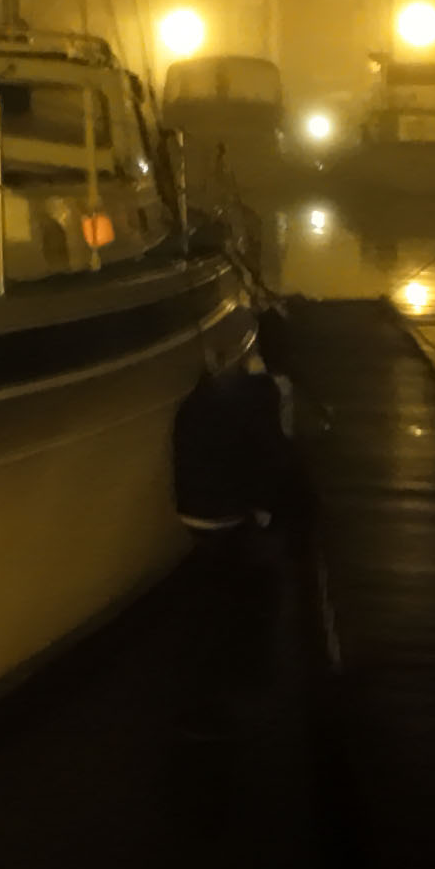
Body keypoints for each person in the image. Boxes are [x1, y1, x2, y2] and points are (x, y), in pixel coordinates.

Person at [172, 314, 296, 738]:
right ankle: (244, 679)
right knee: (247, 591)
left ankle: (207, 682)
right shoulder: (249, 403)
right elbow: (263, 457)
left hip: (193, 514)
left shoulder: (191, 406)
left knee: (211, 593)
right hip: (226, 516)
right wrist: (263, 507)